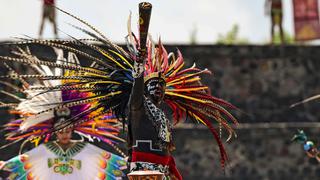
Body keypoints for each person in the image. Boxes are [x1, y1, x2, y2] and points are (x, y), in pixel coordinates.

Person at [0, 51, 127, 179]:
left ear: (72, 130)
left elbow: (103, 158)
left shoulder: (84, 148)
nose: (64, 134)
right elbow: (28, 159)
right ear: (55, 131)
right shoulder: (45, 149)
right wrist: (6, 164)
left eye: (67, 130)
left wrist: (124, 161)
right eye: (61, 131)